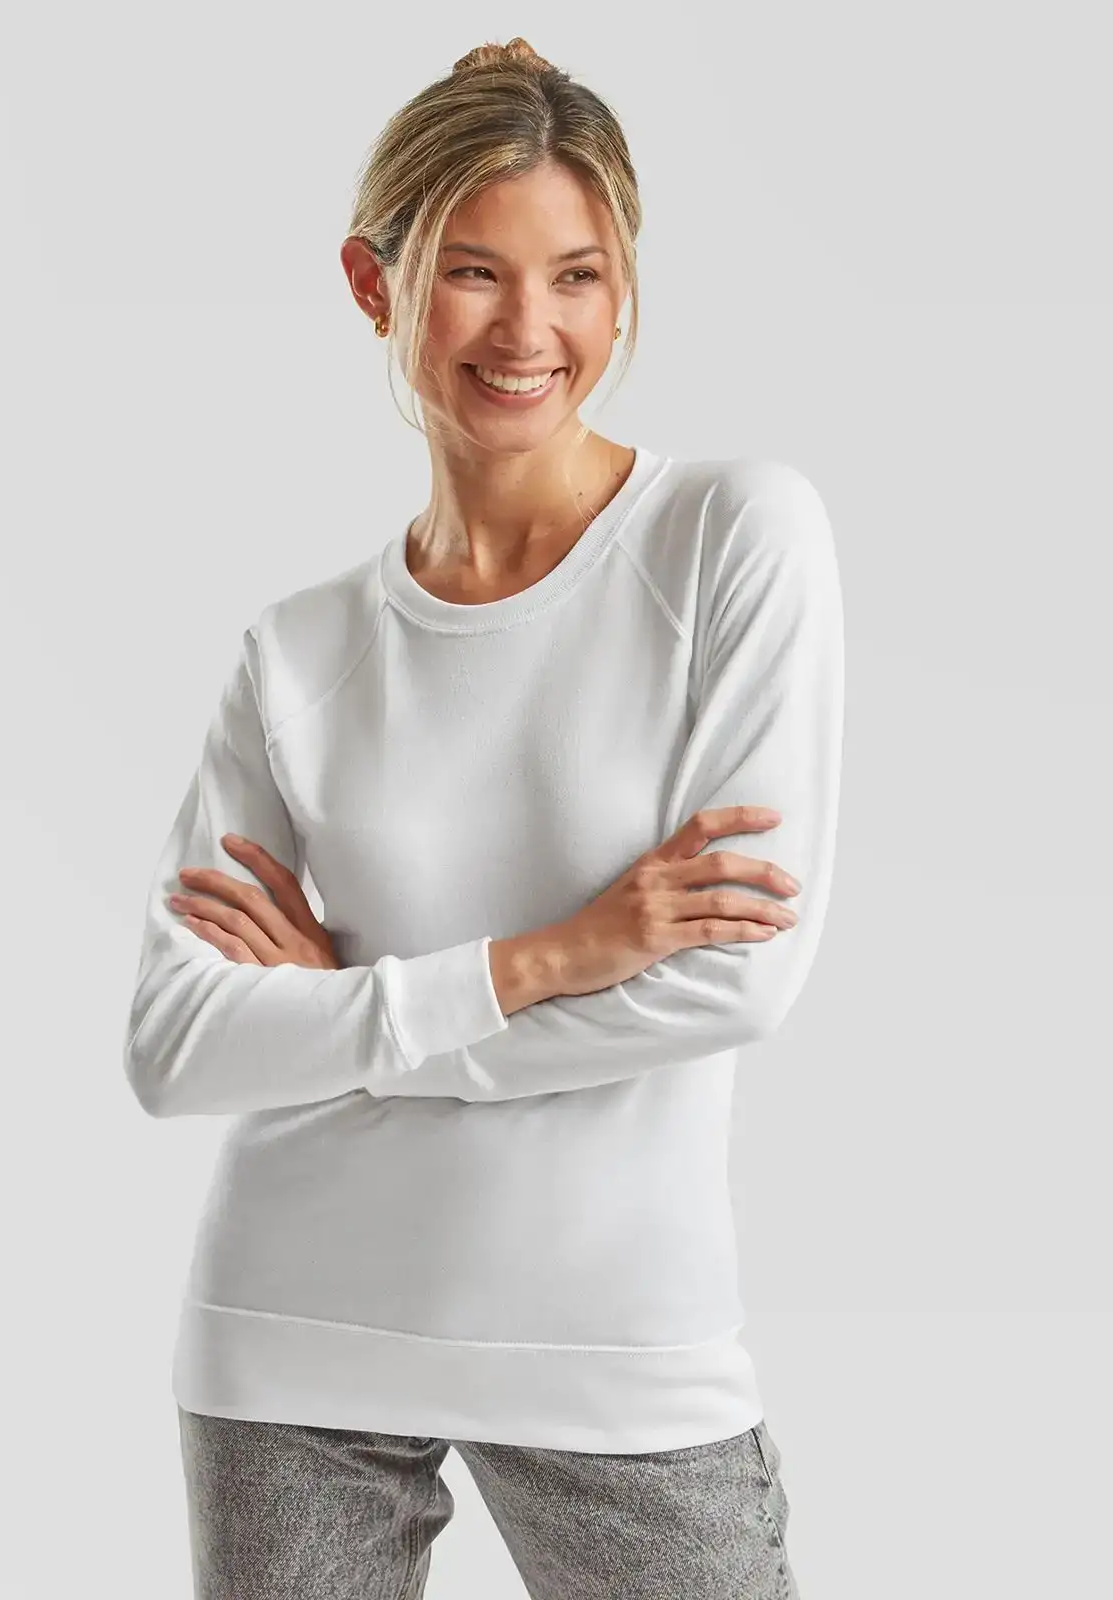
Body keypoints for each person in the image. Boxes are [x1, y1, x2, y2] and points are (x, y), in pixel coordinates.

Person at [123, 35, 844, 1600]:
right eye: (472, 272)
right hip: (290, 1339)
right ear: (372, 284)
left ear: (623, 289)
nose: (529, 331)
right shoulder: (300, 651)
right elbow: (175, 1048)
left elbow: (735, 980)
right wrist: (550, 957)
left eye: (578, 276)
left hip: (618, 1345)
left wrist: (345, 1022)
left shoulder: (731, 539)